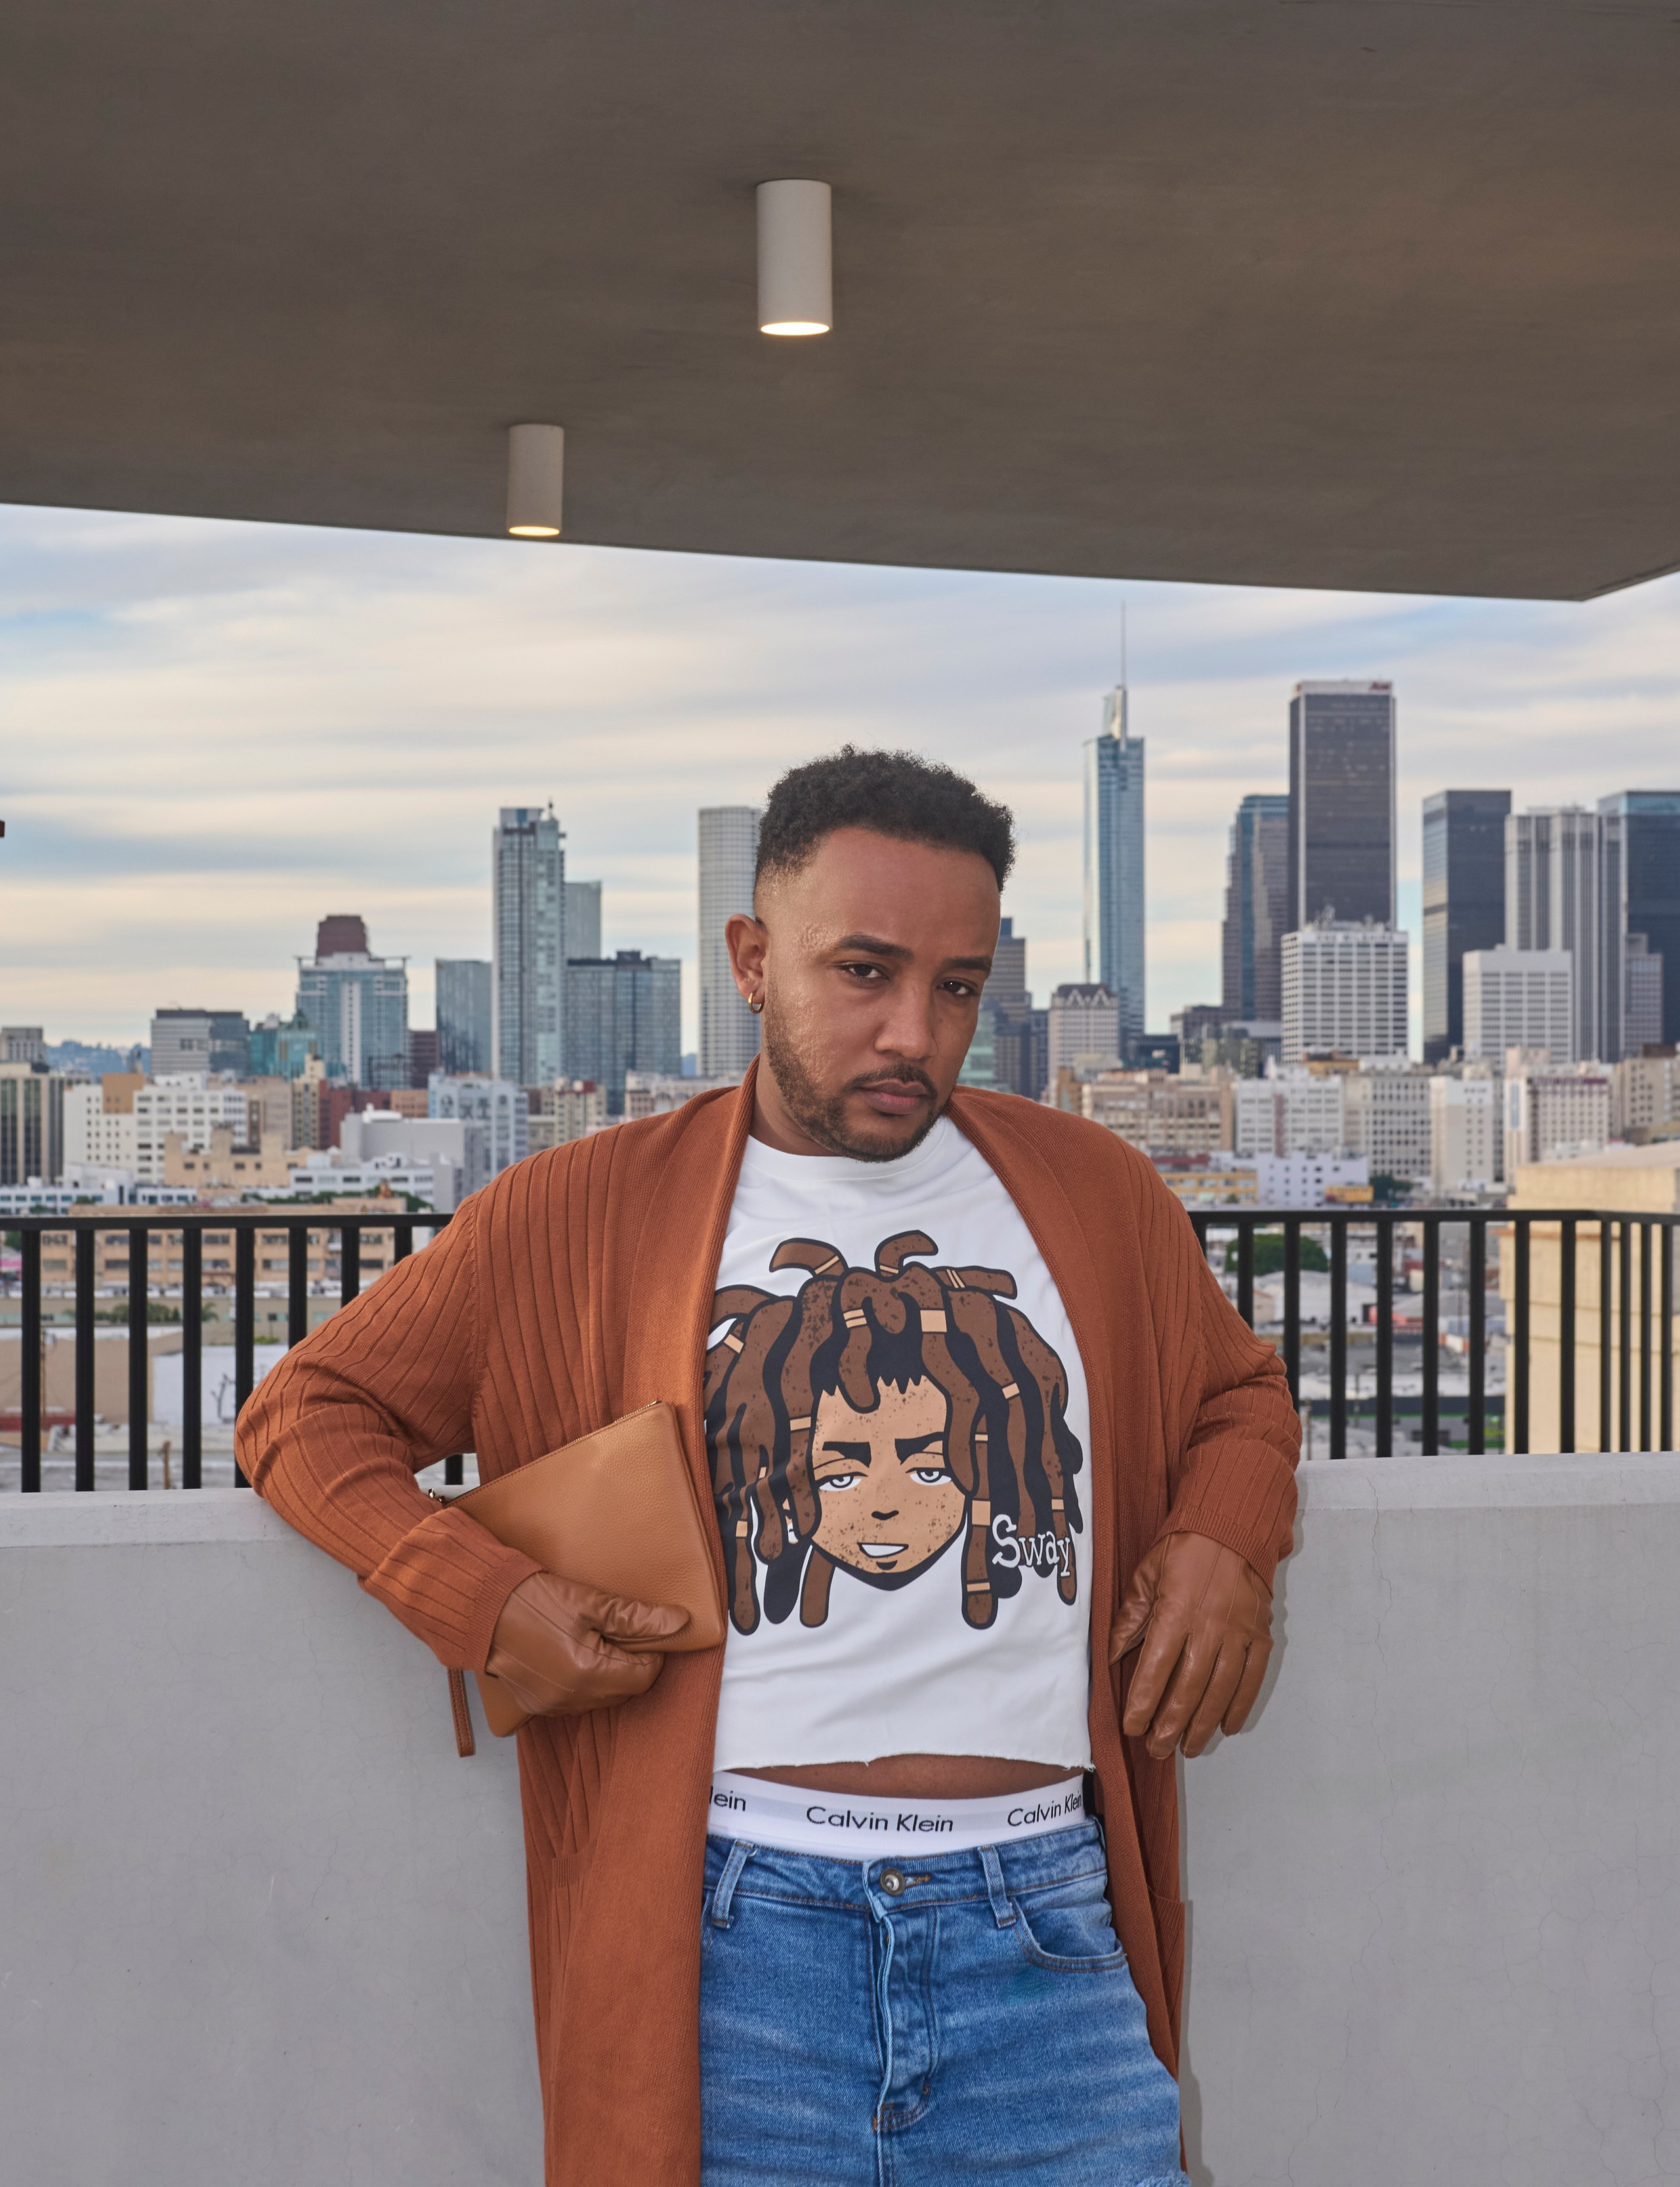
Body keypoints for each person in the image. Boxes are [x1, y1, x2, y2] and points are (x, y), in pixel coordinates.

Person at [238, 747, 1300, 2187]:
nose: (912, 1032)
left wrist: (1225, 1538)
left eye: (957, 986)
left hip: (1047, 1939)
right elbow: (310, 1412)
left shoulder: (1087, 1192)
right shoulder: (583, 1207)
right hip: (732, 1959)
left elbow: (1237, 1390)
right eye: (861, 971)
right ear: (750, 958)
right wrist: (479, 1601)